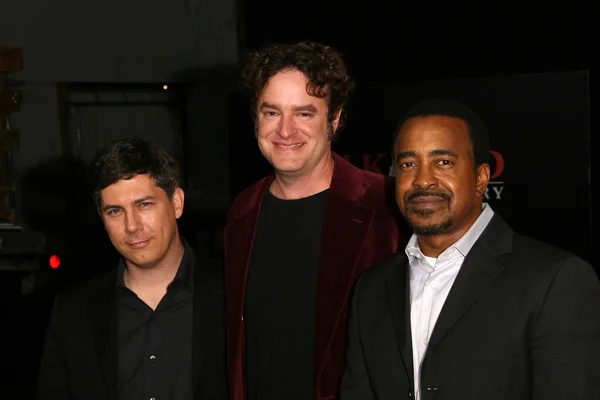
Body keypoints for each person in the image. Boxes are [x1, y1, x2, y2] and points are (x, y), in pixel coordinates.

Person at [341, 98, 600, 400]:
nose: (423, 179)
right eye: (408, 164)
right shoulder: (371, 289)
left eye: (443, 162)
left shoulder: (555, 281)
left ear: (481, 178)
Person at [224, 41, 407, 400]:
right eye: (271, 112)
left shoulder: (385, 205)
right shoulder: (242, 210)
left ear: (334, 119)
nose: (286, 131)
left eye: (304, 113)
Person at [37, 137, 228, 400]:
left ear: (177, 203)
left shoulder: (235, 292)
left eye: (144, 204)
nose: (132, 226)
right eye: (115, 211)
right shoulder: (73, 311)